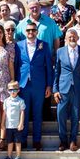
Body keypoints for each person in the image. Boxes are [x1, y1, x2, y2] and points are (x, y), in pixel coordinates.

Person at [16, 21, 53, 150]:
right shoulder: (19, 45)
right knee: (23, 113)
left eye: (33, 30)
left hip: (39, 85)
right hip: (23, 85)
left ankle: (37, 141)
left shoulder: (44, 45)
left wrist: (49, 85)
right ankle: (23, 140)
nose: (30, 33)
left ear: (37, 32)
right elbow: (16, 65)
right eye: (28, 30)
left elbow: (49, 66)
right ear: (25, 32)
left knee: (38, 113)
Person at [53, 29, 80, 152]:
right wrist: (55, 90)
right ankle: (63, 140)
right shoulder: (60, 51)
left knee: (75, 115)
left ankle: (73, 140)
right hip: (63, 88)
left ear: (78, 38)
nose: (72, 39)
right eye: (69, 37)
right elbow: (56, 72)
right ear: (66, 39)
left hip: (78, 88)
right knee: (60, 114)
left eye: (74, 36)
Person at [0, 81, 26, 159]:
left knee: (18, 142)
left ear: (18, 90)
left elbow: (22, 112)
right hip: (9, 126)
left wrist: (21, 123)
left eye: (15, 89)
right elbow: (4, 113)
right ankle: (9, 157)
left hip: (17, 126)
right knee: (10, 142)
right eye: (10, 90)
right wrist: (2, 123)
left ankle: (18, 157)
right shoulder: (6, 101)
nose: (12, 92)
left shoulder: (20, 101)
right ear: (7, 91)